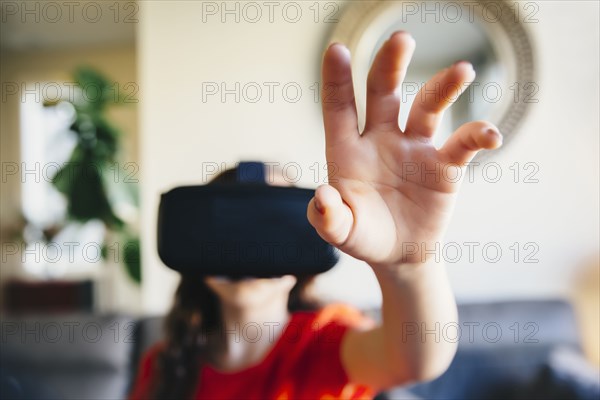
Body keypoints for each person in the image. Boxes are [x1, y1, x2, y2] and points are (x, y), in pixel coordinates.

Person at [129, 31, 502, 399]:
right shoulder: (165, 364)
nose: (249, 245)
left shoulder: (326, 341)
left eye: (271, 223)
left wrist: (408, 265)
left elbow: (416, 362)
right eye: (231, 224)